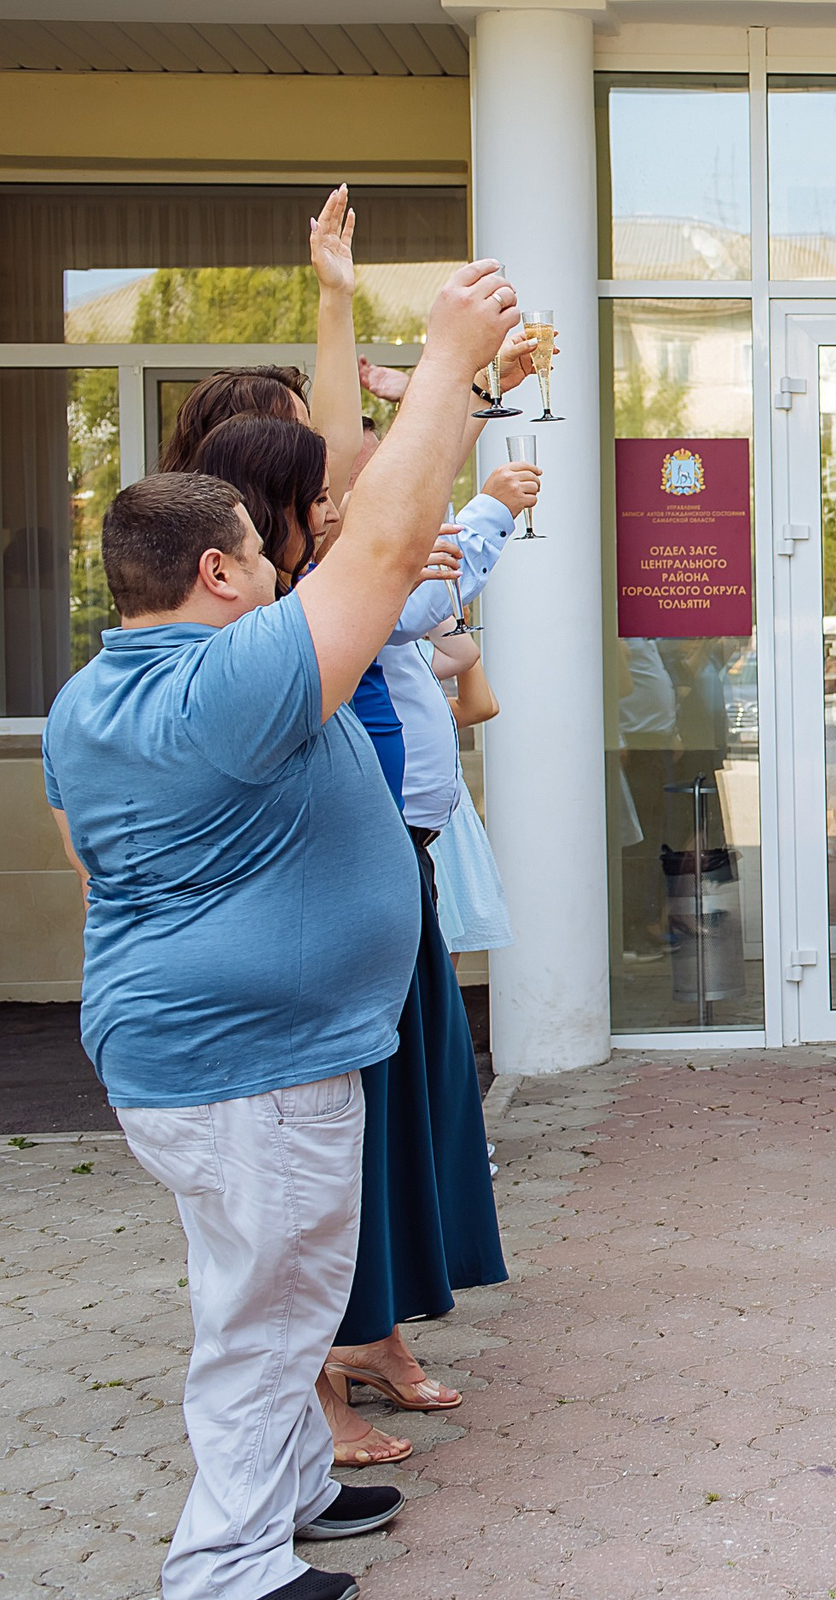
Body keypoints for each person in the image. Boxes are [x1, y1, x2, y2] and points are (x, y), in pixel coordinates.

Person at [43, 257, 517, 1600]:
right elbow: (375, 543)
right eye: (264, 551)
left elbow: (89, 859)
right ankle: (226, 1568)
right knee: (264, 1324)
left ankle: (298, 1487)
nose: (286, 561)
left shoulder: (95, 696)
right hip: (254, 1065)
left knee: (253, 1292)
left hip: (192, 1056)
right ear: (215, 570)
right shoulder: (230, 683)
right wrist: (446, 360)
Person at [426, 629, 516, 960]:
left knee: (440, 963)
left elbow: (481, 706)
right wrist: (451, 627)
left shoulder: (410, 657)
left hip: (437, 813)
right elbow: (480, 706)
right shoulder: (399, 658)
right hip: (425, 814)